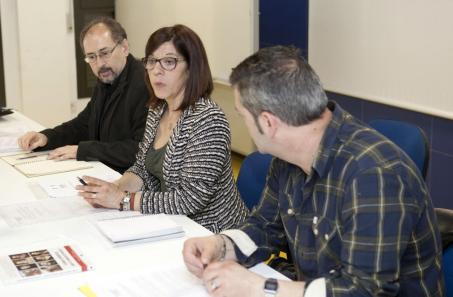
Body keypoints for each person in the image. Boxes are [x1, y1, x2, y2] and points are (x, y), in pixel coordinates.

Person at [182, 46, 444, 296]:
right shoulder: (287, 158)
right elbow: (264, 227)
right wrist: (221, 245)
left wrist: (258, 288)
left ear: (268, 122)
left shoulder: (374, 174)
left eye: (242, 115)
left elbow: (363, 290)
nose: (243, 122)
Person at [76, 25, 248, 233]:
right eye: (151, 61)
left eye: (169, 62)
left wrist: (123, 200)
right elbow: (142, 168)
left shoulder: (208, 119)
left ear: (192, 67)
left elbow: (190, 199)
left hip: (213, 233)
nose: (156, 70)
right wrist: (114, 188)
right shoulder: (158, 109)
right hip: (173, 224)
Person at [18, 17, 148, 173]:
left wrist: (83, 150)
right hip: (104, 172)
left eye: (105, 53)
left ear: (125, 47)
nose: (100, 64)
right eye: (92, 57)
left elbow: (140, 149)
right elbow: (83, 124)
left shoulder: (147, 84)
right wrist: (46, 138)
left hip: (132, 183)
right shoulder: (107, 78)